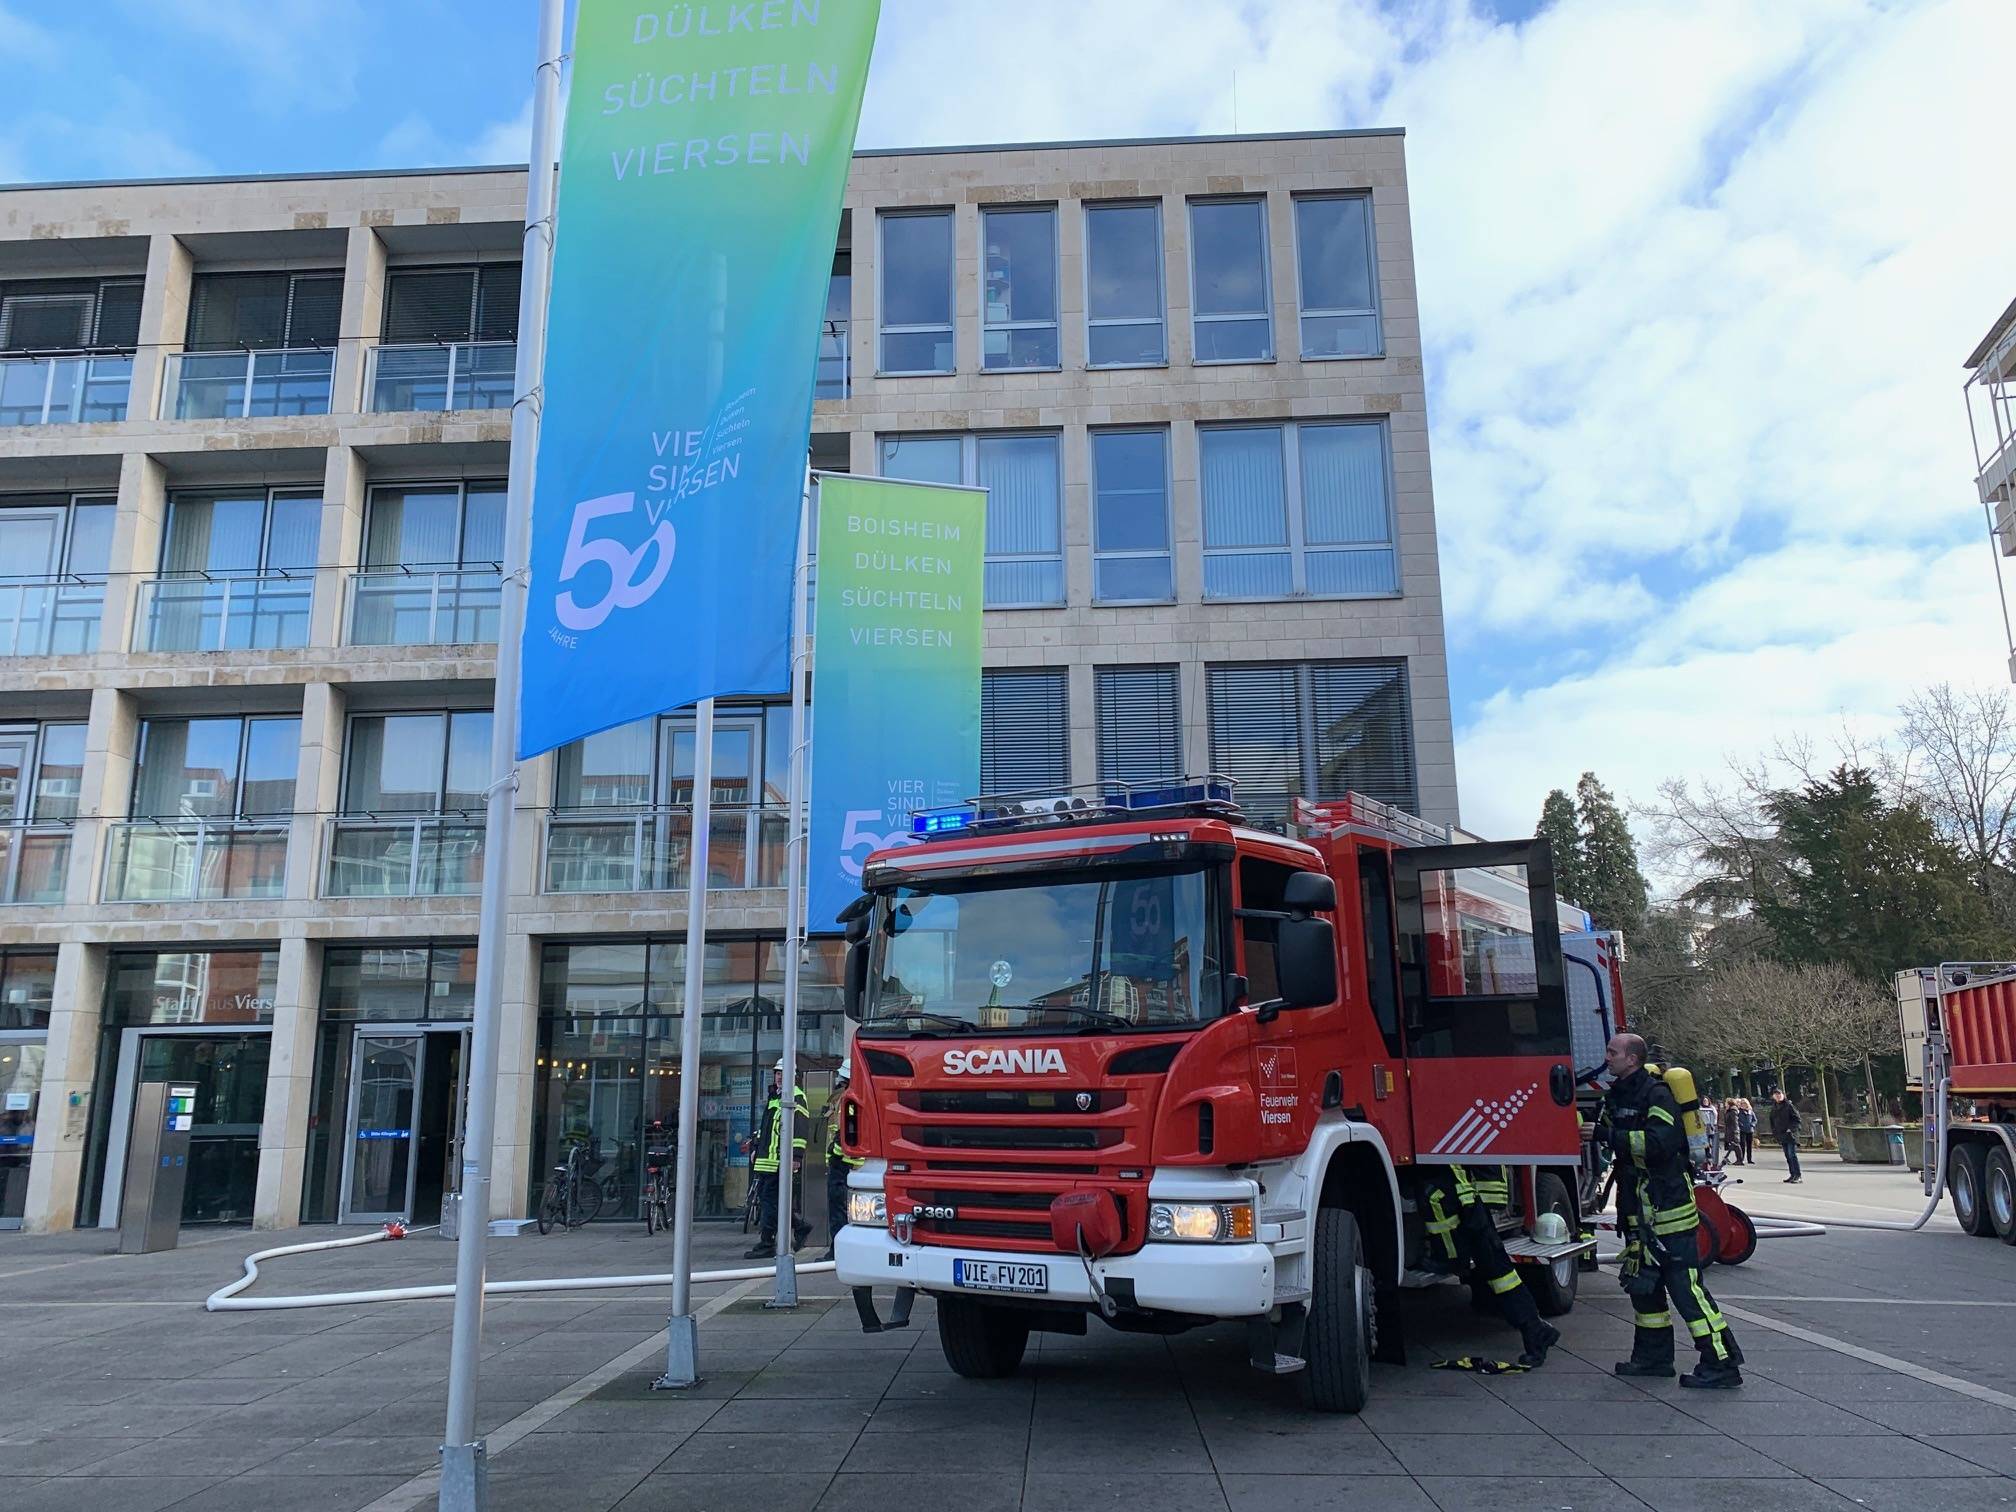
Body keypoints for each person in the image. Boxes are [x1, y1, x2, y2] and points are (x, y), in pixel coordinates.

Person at [1604, 1032, 1744, 1388]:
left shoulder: (1658, 1095)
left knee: (1685, 1288)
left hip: (1668, 1207)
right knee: (1644, 1286)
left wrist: (1610, 1138)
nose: (1607, 1057)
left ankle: (1722, 1363)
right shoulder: (1619, 1095)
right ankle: (1653, 1358)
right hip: (1638, 1208)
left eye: (1613, 1052)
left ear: (1632, 1058)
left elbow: (1660, 1145)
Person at [1420, 1163, 1560, 1367]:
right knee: (1498, 1271)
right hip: (1473, 1204)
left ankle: (1535, 1329)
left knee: (1498, 1270)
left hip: (1471, 1206)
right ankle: (1535, 1329)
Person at [744, 1060, 811, 1260]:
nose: (779, 1077)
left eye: (783, 1073)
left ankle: (767, 1242)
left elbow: (800, 1129)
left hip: (778, 1161)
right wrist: (756, 1147)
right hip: (767, 1160)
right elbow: (766, 1129)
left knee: (770, 1203)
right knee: (771, 1202)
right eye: (777, 1073)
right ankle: (798, 1228)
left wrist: (796, 1156)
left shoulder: (797, 1096)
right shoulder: (776, 1097)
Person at [820, 1061, 861, 1262]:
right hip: (850, 1164)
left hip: (842, 1164)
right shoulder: (850, 1096)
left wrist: (834, 1155)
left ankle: (837, 1251)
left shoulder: (847, 1098)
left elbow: (844, 1131)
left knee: (838, 1210)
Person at [1768, 1089, 1802, 1183]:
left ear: (1783, 1095)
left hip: (1791, 1135)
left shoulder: (1789, 1106)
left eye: (1779, 1094)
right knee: (1787, 1156)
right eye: (1776, 1095)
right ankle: (1792, 1174)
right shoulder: (1774, 1108)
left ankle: (1798, 1175)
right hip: (1781, 1135)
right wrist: (1775, 1132)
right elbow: (1772, 1121)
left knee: (1792, 1155)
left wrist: (1791, 1129)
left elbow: (1797, 1119)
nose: (1778, 1096)